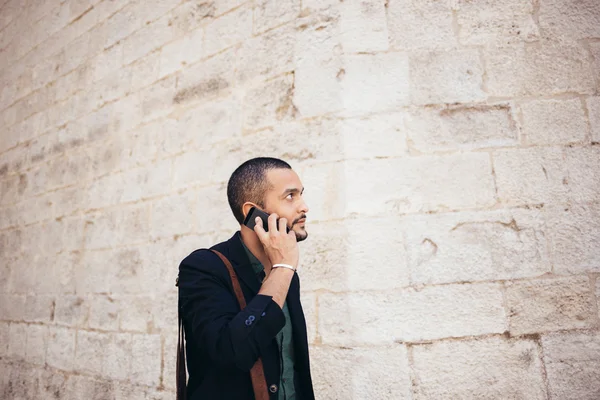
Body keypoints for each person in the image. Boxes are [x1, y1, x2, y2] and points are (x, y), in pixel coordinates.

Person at [177, 157, 315, 400]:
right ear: (253, 213)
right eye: (290, 196)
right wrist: (283, 267)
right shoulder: (203, 268)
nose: (304, 207)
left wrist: (282, 269)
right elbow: (232, 353)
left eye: (301, 194)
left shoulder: (288, 275)